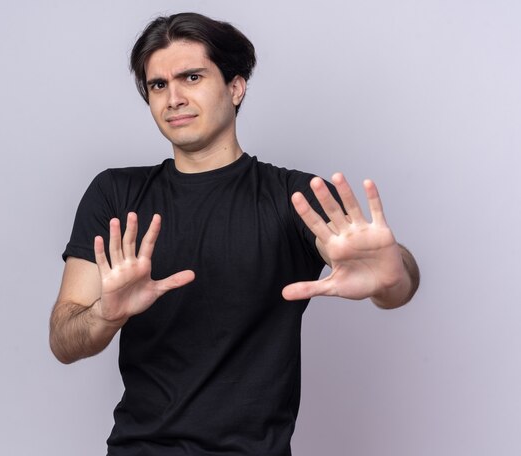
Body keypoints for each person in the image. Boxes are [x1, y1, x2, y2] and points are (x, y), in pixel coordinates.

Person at [49, 12, 420, 456]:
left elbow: (396, 282)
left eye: (191, 77)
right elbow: (64, 340)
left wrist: (391, 276)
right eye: (158, 85)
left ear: (235, 86)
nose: (173, 98)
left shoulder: (294, 197)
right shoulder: (116, 195)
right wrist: (105, 315)